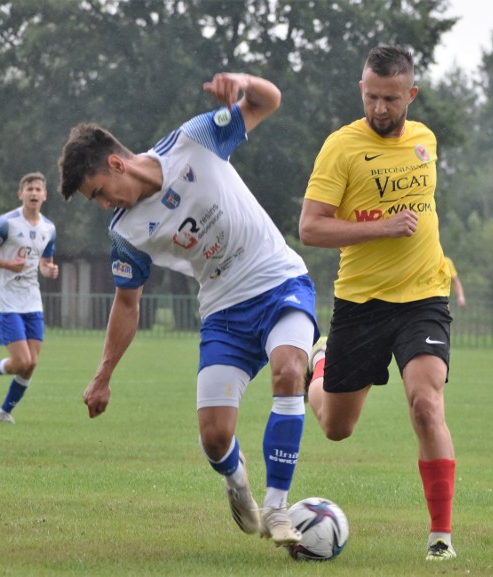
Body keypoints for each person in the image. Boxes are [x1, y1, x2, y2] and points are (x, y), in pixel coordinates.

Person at [56, 72, 319, 548]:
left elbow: (269, 100)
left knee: (288, 372)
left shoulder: (194, 139)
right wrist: (103, 375)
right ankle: (237, 483)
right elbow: (127, 303)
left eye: (97, 192)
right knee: (215, 437)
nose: (101, 205)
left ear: (116, 163)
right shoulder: (125, 232)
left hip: (278, 280)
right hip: (223, 309)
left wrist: (240, 84)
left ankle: (279, 509)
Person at [299, 45, 457, 561]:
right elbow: (311, 227)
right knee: (336, 428)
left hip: (424, 297)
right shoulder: (340, 148)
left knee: (426, 404)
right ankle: (319, 363)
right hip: (362, 302)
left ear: (410, 94)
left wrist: (443, 262)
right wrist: (382, 228)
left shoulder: (426, 140)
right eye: (371, 97)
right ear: (361, 91)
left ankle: (440, 538)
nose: (380, 108)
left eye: (391, 98)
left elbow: (423, 210)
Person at [0, 172, 59, 424]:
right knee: (21, 361)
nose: (33, 193)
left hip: (32, 300)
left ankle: (4, 413)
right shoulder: (6, 223)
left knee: (31, 364)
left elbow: (45, 262)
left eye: (38, 189)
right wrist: (8, 265)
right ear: (21, 194)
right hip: (8, 300)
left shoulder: (48, 228)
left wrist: (49, 270)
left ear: (45, 195)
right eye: (29, 189)